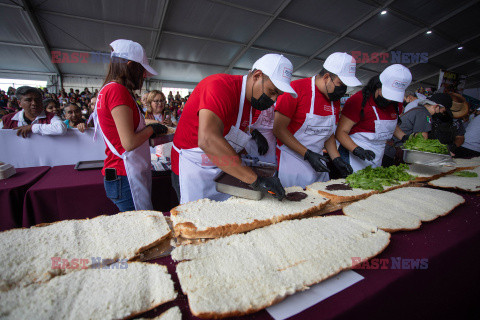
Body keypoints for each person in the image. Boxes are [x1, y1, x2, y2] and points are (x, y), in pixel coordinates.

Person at [171, 53, 297, 204]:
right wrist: (256, 180)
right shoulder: (219, 86)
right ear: (257, 76)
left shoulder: (252, 102)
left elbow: (233, 135)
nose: (274, 100)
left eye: (278, 95)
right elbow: (208, 140)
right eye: (272, 92)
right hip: (193, 167)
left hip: (221, 168)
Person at [93, 39, 167, 211]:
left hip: (120, 173)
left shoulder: (108, 89)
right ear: (130, 64)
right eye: (141, 70)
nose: (143, 76)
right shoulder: (117, 91)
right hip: (124, 174)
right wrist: (151, 129)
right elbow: (129, 143)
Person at [273, 52, 361, 187]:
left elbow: (327, 133)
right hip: (292, 162)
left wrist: (336, 158)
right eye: (340, 84)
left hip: (318, 164)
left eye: (345, 86)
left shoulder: (333, 99)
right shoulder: (296, 90)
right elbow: (279, 129)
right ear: (326, 77)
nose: (343, 89)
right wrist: (307, 154)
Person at [336, 64, 412, 172]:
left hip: (378, 153)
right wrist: (357, 150)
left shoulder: (396, 104)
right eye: (388, 95)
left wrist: (403, 137)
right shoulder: (357, 101)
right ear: (378, 86)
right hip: (352, 154)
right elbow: (341, 132)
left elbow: (389, 125)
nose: (390, 101)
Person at [383, 93, 452, 165]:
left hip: (389, 149)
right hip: (393, 152)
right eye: (443, 111)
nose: (442, 113)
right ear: (436, 106)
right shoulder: (424, 114)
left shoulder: (419, 110)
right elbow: (422, 140)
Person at [0, 86, 66, 137]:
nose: (34, 103)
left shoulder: (51, 117)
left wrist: (32, 127)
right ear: (19, 103)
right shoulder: (7, 120)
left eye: (37, 100)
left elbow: (60, 128)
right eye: (28, 100)